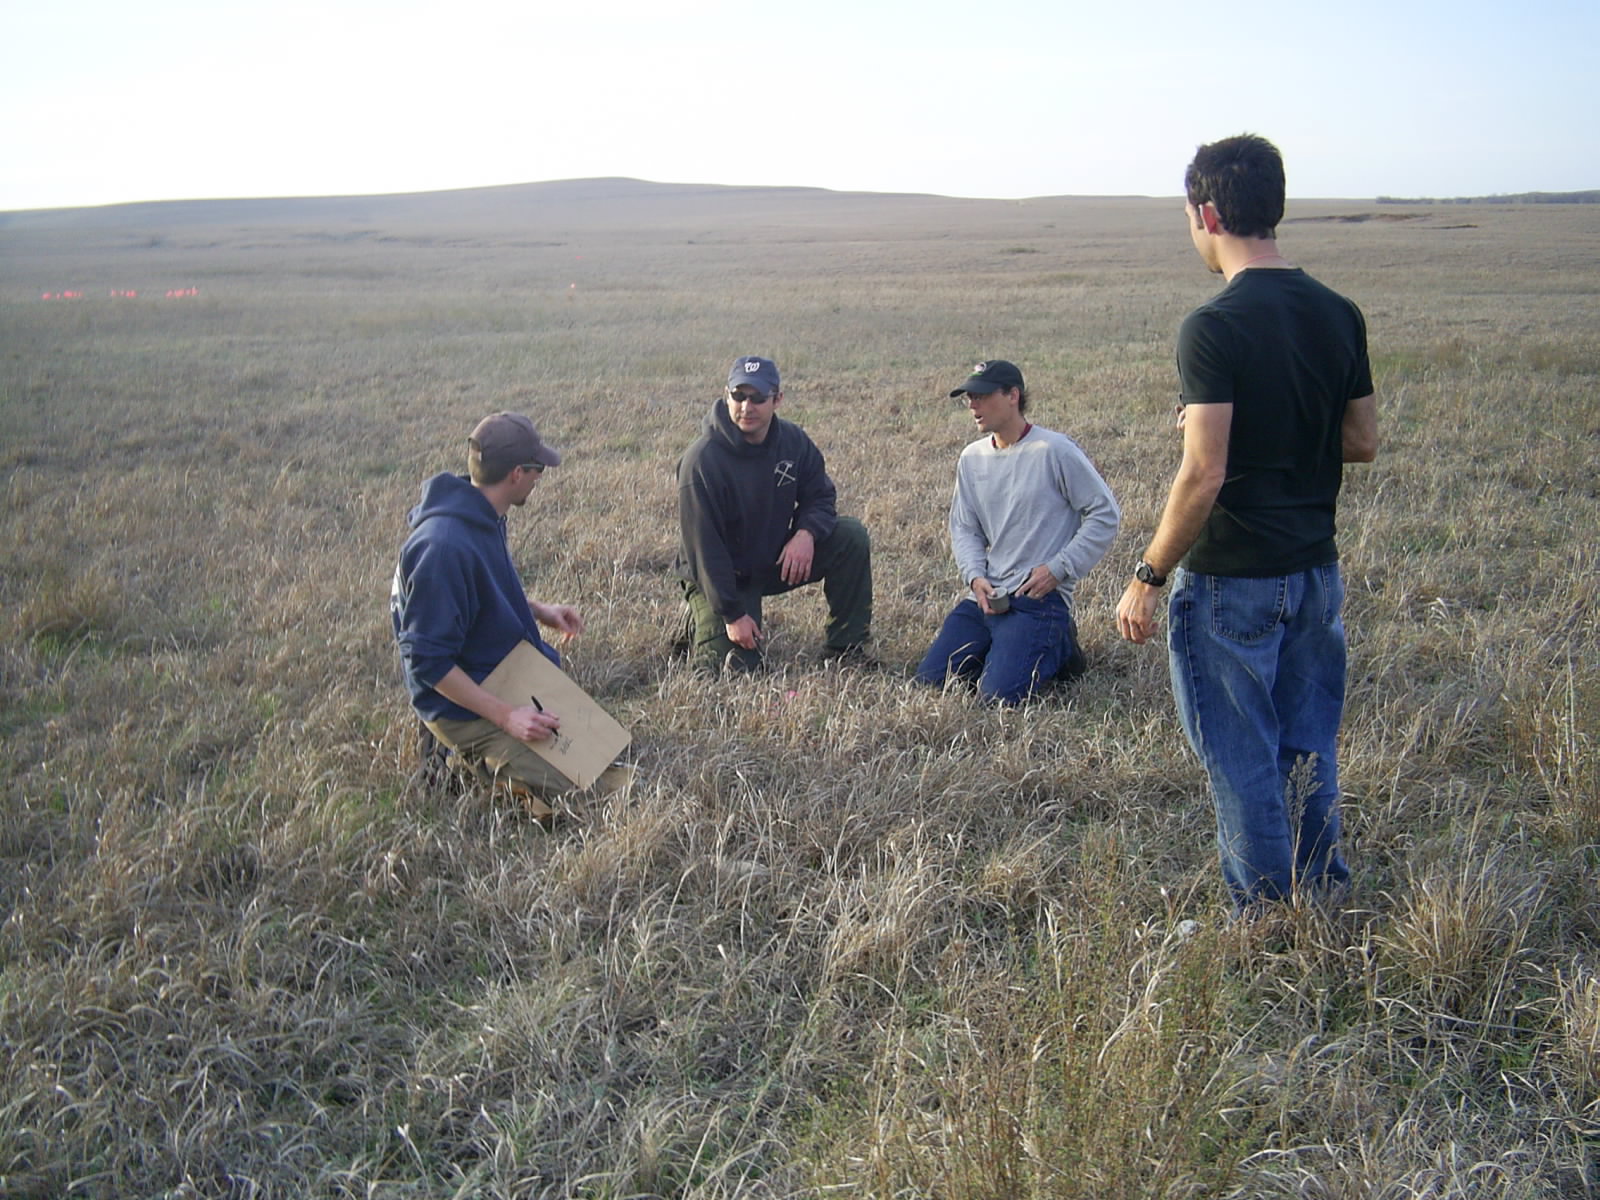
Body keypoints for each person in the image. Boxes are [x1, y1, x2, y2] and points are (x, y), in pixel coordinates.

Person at [1115, 134, 1379, 913]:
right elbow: (1362, 441)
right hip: (1316, 571)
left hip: (1233, 579)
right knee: (1307, 743)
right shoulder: (1339, 311)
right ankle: (1321, 892)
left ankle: (1264, 917)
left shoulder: (1213, 325)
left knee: (1239, 756)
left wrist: (1147, 574)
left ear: (1206, 213)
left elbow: (1204, 473)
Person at [391, 412, 600, 825]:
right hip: (459, 700)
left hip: (497, 669)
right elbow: (428, 663)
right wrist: (506, 716)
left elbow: (476, 590)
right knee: (587, 793)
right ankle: (466, 758)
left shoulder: (481, 513)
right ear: (517, 474)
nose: (541, 477)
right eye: (537, 469)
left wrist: (538, 611)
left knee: (602, 751)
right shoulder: (445, 548)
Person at [916, 359, 1120, 704]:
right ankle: (1020, 646)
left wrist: (1059, 569)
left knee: (999, 699)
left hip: (1036, 599)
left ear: (1013, 395)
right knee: (932, 683)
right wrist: (974, 577)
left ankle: (1058, 643)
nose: (972, 405)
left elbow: (1105, 513)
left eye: (981, 396)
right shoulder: (972, 458)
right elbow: (964, 526)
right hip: (986, 597)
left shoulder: (1055, 450)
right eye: (968, 397)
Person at [676, 354, 873, 673]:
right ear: (726, 395)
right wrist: (732, 614)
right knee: (731, 672)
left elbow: (821, 495)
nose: (746, 406)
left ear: (777, 399)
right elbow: (704, 550)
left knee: (850, 536)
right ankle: (699, 619)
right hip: (720, 574)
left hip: (771, 558)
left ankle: (845, 647)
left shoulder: (793, 441)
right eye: (738, 396)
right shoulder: (701, 461)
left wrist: (806, 533)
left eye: (758, 398)